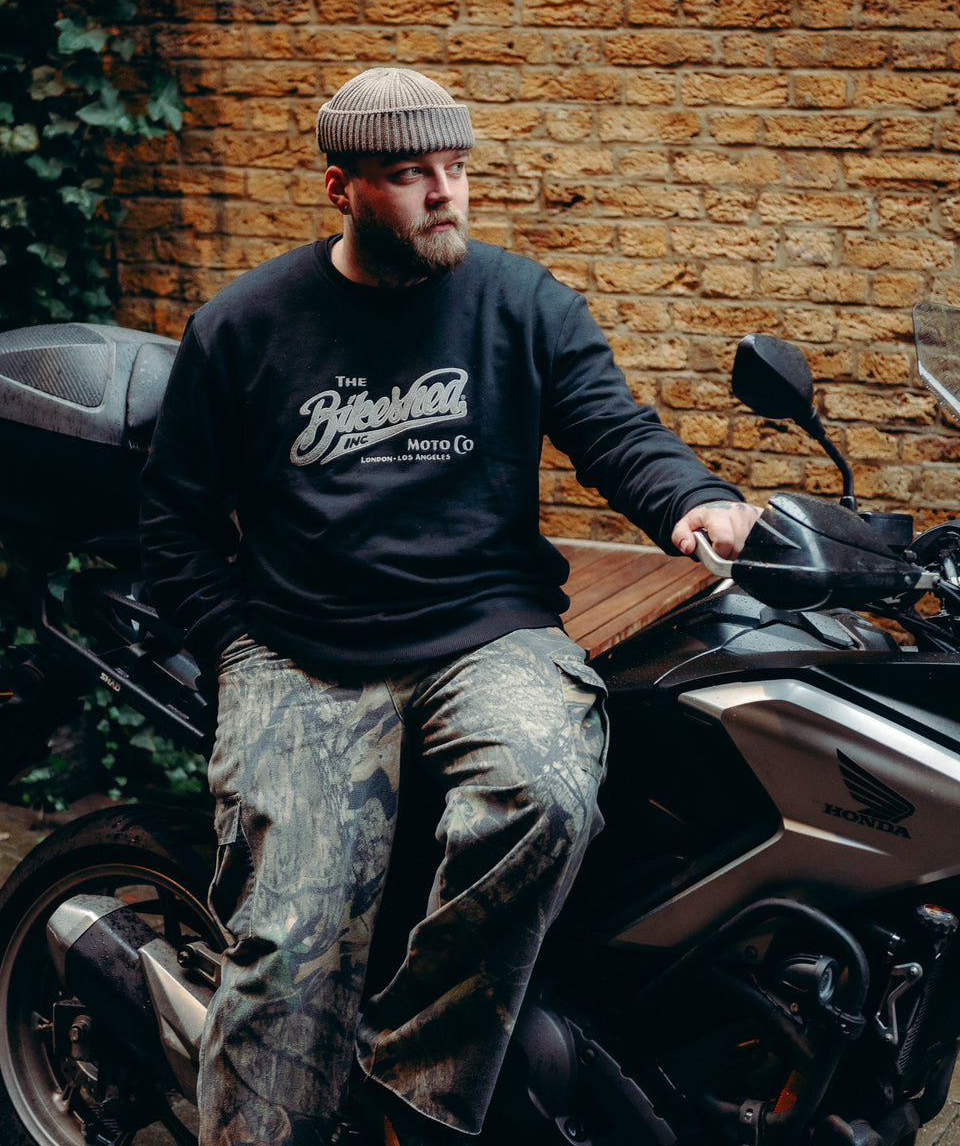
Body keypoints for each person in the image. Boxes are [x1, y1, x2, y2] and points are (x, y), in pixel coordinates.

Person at [139, 67, 761, 1146]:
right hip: (301, 649)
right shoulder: (243, 324)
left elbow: (615, 430)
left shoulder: (521, 302)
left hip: (487, 630)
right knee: (287, 947)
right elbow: (173, 518)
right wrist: (234, 648)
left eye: (456, 167)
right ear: (340, 187)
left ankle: (409, 1091)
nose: (443, 193)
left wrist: (695, 501)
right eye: (408, 172)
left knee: (547, 795)